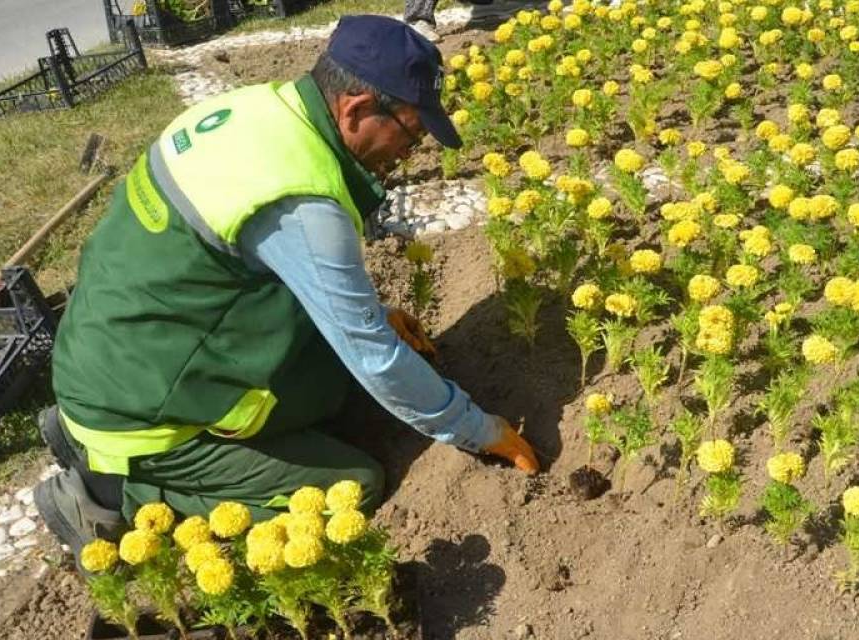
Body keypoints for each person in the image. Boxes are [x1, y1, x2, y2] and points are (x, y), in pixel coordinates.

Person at [33, 15, 539, 555]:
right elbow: (371, 355)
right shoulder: (301, 201)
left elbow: (263, 262)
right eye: (411, 134)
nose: (409, 153)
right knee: (353, 485)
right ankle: (111, 490)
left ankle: (82, 432)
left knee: (332, 384)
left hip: (114, 349)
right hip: (143, 407)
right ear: (356, 109)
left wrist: (376, 313)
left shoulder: (258, 112)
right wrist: (475, 428)